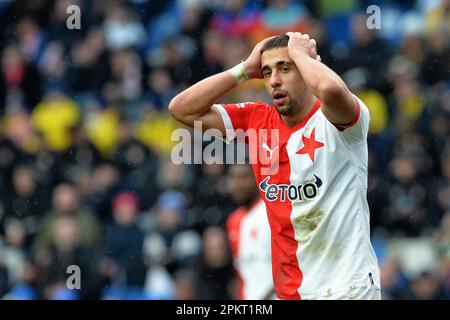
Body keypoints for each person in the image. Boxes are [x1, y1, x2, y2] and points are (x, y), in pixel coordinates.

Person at [169, 32, 381, 300]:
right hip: (290, 293)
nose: (275, 81)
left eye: (285, 68)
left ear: (307, 69)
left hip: (347, 287)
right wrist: (244, 70)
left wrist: (303, 56)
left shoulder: (340, 120)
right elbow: (181, 109)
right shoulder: (256, 120)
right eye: (267, 72)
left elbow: (329, 89)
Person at [226, 163, 274, 300]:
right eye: (233, 178)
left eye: (243, 177)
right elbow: (242, 270)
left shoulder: (271, 213)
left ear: (257, 179)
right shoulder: (233, 221)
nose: (237, 184)